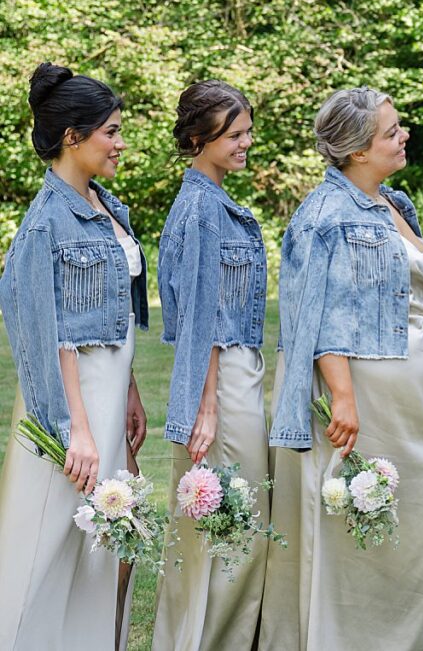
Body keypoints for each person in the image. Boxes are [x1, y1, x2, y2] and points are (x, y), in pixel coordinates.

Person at [261, 87, 423, 650]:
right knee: (356, 531)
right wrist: (342, 396)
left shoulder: (398, 203)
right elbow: (314, 313)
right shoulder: (325, 215)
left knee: (414, 528)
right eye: (391, 132)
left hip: (412, 395)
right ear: (359, 151)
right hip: (363, 396)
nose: (403, 135)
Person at [0, 62, 148, 650]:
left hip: (109, 401)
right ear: (73, 137)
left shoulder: (108, 207)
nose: (119, 142)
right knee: (43, 549)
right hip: (68, 408)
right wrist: (75, 430)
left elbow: (111, 313)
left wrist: (131, 390)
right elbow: (50, 334)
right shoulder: (45, 225)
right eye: (110, 131)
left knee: (105, 544)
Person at [151, 80, 270, 651]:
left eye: (248, 131)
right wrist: (206, 405)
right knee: (234, 525)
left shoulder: (211, 200)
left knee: (226, 526)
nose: (247, 143)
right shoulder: (202, 209)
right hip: (222, 386)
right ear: (199, 138)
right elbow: (202, 315)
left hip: (234, 378)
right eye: (235, 134)